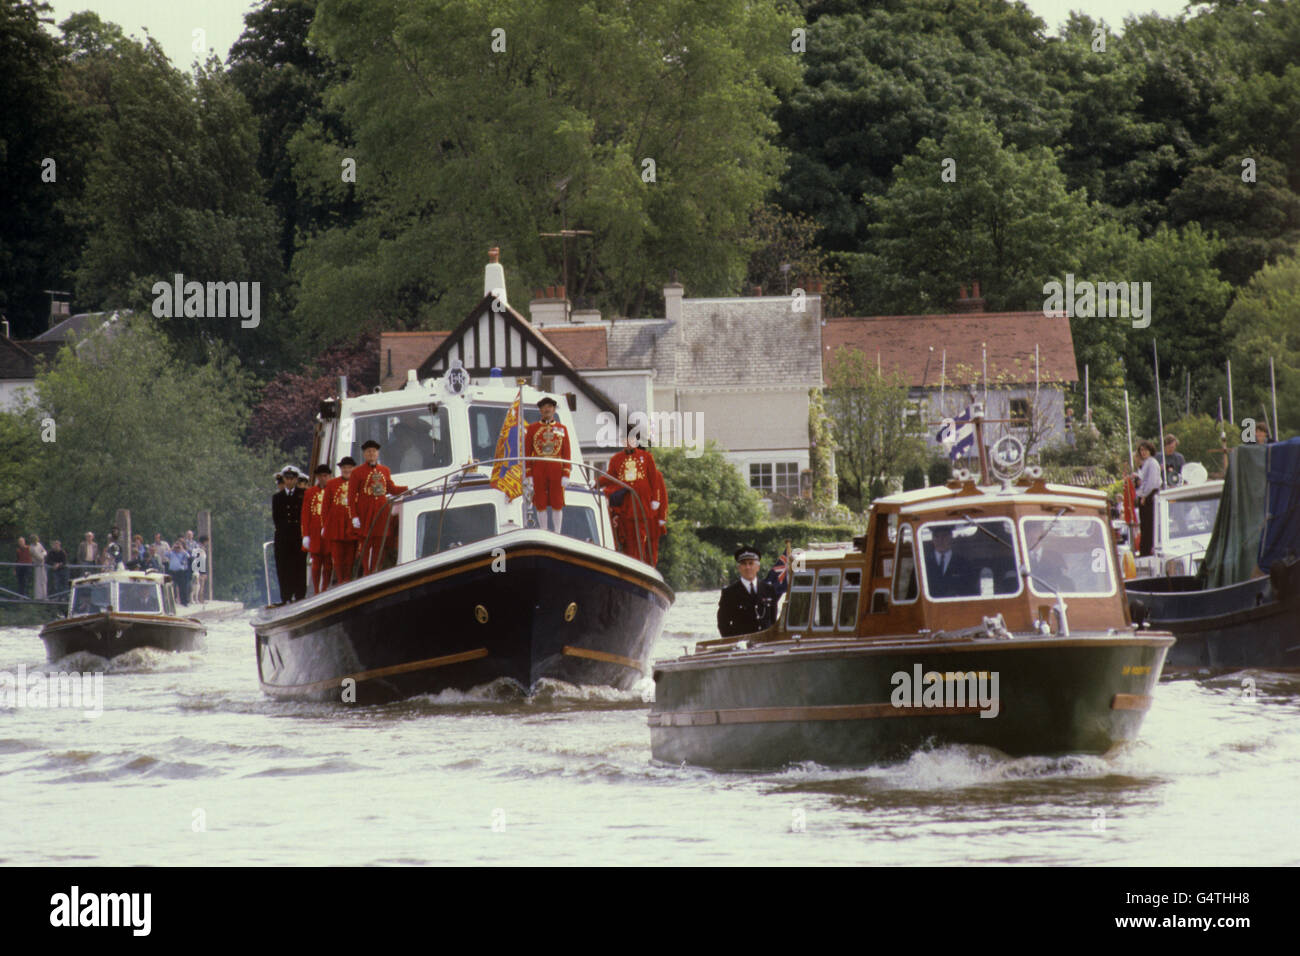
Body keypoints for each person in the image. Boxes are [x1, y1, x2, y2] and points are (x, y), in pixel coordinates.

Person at [599, 424, 664, 563]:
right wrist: (597, 483)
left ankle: (640, 563)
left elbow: (654, 481)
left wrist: (655, 500)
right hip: (626, 506)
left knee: (641, 538)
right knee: (628, 539)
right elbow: (610, 476)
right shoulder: (616, 459)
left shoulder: (646, 457)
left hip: (642, 505)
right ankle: (631, 563)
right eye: (625, 439)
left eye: (631, 438)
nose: (628, 442)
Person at [348, 441, 409, 575]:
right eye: (369, 452)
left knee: (379, 541)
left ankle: (375, 570)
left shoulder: (385, 470)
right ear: (364, 454)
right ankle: (366, 570)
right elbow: (351, 496)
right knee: (365, 542)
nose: (371, 454)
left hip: (381, 510)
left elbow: (391, 489)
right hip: (365, 511)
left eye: (374, 451)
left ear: (378, 453)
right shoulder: (357, 472)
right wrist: (354, 516)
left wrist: (407, 489)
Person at [524, 396, 572, 532]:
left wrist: (566, 473)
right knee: (540, 501)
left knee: (557, 501)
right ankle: (543, 529)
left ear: (554, 410)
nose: (547, 410)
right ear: (540, 410)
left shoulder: (562, 428)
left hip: (556, 467)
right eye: (544, 407)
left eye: (550, 407)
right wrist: (529, 474)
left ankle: (558, 531)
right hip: (538, 468)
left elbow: (567, 452)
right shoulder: (532, 428)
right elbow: (527, 452)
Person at [717, 546, 779, 637]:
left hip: (766, 642)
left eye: (751, 563)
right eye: (744, 564)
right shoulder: (729, 593)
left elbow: (773, 620)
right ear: (739, 568)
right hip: (741, 645)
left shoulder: (769, 590)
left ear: (758, 567)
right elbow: (723, 624)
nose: (747, 567)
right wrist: (734, 642)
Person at [272, 466, 307, 602]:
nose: (289, 481)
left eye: (292, 478)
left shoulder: (303, 494)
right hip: (283, 537)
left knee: (299, 566)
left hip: (298, 536)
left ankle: (300, 595)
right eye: (287, 478)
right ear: (284, 479)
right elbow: (277, 518)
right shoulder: (277, 497)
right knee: (283, 567)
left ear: (296, 479)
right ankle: (285, 596)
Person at [322, 457, 359, 585]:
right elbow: (325, 506)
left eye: (349, 467)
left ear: (353, 469)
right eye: (344, 468)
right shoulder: (332, 484)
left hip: (352, 523)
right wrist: (324, 525)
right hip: (336, 524)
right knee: (337, 556)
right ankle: (340, 579)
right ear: (340, 469)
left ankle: (348, 579)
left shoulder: (359, 482)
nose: (347, 470)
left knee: (350, 555)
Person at [301, 464, 333, 594]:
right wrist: (305, 535)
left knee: (328, 561)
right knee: (316, 561)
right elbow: (305, 514)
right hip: (314, 531)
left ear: (329, 476)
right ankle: (316, 589)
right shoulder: (310, 492)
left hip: (329, 530)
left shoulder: (333, 490)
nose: (323, 479)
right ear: (317, 477)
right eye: (320, 476)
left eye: (325, 476)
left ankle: (325, 587)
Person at [923, 525, 973, 598]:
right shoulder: (922, 563)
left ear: (951, 538)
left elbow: (972, 592)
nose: (940, 540)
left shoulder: (963, 564)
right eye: (936, 536)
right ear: (932, 539)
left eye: (944, 536)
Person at [1134, 440, 1163, 558]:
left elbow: (1151, 482)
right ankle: (1144, 550)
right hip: (1144, 494)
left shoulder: (1152, 463)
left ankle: (1147, 550)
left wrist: (1144, 496)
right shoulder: (1146, 463)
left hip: (1149, 495)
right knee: (1145, 525)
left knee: (1149, 524)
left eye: (1145, 450)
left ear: (1150, 450)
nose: (1143, 452)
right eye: (1141, 450)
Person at [167, 541, 191, 605]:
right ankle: (172, 601)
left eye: (178, 547)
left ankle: (184, 602)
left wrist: (182, 549)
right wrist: (172, 548)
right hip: (172, 572)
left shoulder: (182, 553)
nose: (177, 549)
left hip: (180, 572)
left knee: (182, 587)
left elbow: (188, 556)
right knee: (171, 587)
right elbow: (166, 554)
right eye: (176, 547)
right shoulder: (172, 553)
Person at [190, 536, 208, 603]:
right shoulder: (198, 548)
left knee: (200, 585)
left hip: (201, 567)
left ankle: (200, 598)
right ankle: (196, 599)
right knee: (197, 585)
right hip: (197, 568)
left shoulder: (203, 548)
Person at [30, 535, 48, 599]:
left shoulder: (39, 544)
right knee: (38, 580)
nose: (36, 541)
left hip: (42, 565)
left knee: (44, 580)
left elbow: (45, 551)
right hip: (37, 565)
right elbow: (38, 557)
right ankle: (38, 597)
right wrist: (42, 556)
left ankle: (44, 596)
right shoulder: (31, 548)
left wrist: (43, 554)